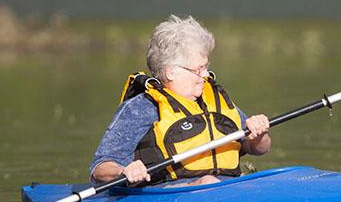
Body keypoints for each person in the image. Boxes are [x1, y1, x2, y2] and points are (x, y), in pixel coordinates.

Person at [90, 15, 271, 187]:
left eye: (206, 67)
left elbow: (260, 148)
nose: (206, 75)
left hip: (226, 185)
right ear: (171, 71)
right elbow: (99, 169)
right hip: (170, 194)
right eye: (198, 69)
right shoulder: (141, 108)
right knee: (207, 181)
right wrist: (124, 170)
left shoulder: (214, 99)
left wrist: (259, 134)